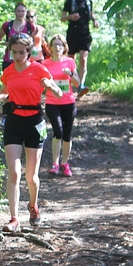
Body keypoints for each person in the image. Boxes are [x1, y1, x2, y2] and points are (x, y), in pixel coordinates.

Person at [0, 34, 63, 232]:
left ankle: (33, 205)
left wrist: (50, 86)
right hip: (14, 121)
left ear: (29, 52)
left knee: (31, 176)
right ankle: (14, 218)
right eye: (14, 52)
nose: (17, 56)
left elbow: (59, 93)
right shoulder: (9, 71)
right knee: (14, 172)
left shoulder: (39, 69)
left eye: (21, 52)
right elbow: (5, 91)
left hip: (34, 122)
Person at [43, 34, 81, 177]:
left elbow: (77, 83)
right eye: (55, 45)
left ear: (64, 47)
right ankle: (55, 163)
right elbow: (40, 84)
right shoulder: (45, 64)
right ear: (50, 48)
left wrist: (70, 74)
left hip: (68, 103)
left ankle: (65, 163)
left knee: (67, 135)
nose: (58, 47)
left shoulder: (69, 62)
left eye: (60, 45)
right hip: (52, 102)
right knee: (58, 132)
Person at [61, 0, 100, 94]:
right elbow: (62, 18)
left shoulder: (88, 1)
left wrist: (95, 20)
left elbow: (91, 14)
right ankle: (73, 82)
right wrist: (71, 17)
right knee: (70, 59)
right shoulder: (70, 1)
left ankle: (81, 84)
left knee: (83, 58)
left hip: (85, 33)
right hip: (72, 33)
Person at [0, 2, 36, 71]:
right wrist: (8, 44)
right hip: (9, 60)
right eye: (18, 11)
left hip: (24, 61)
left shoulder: (30, 26)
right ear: (15, 12)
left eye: (22, 11)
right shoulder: (7, 25)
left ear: (26, 12)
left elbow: (33, 43)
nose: (20, 13)